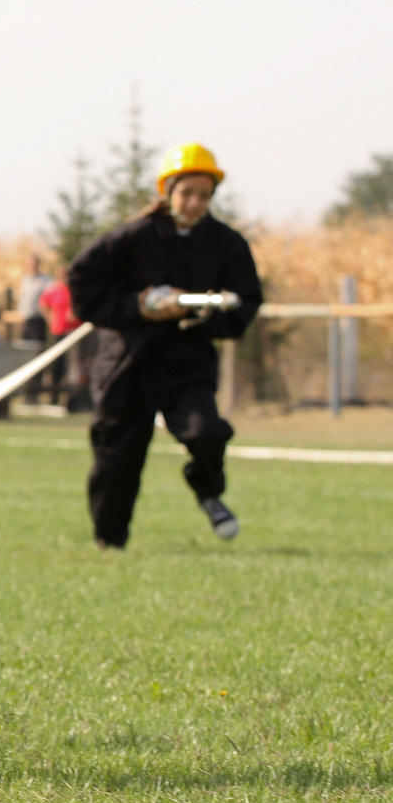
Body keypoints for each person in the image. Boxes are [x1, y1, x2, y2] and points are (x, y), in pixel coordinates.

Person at [68, 143, 261, 551]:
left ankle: (208, 491)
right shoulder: (131, 238)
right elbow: (83, 284)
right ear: (167, 190)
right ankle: (110, 538)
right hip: (128, 362)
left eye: (203, 195)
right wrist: (137, 307)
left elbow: (244, 302)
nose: (194, 203)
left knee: (206, 432)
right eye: (186, 192)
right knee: (116, 454)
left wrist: (199, 314)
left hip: (185, 363)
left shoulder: (226, 245)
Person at [38, 266, 80, 405]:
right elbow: (43, 304)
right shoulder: (54, 290)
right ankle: (53, 398)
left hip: (74, 333)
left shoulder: (75, 290)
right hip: (58, 331)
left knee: (73, 368)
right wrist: (50, 318)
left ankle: (72, 401)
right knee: (57, 366)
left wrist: (76, 314)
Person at [16, 255, 52, 403]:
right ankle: (25, 393)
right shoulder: (24, 280)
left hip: (38, 323)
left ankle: (35, 394)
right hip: (26, 323)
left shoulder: (45, 281)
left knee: (37, 356)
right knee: (24, 357)